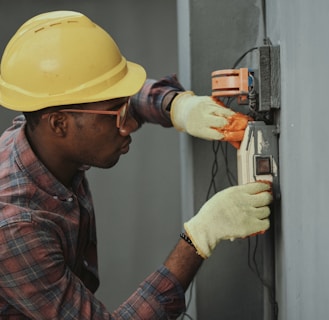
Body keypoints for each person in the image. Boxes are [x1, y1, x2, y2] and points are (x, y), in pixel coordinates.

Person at [0, 11, 273, 319]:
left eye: (125, 106)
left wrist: (177, 107)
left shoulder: (41, 127)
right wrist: (198, 238)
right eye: (116, 115)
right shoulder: (14, 228)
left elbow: (105, 98)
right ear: (60, 123)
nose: (128, 125)